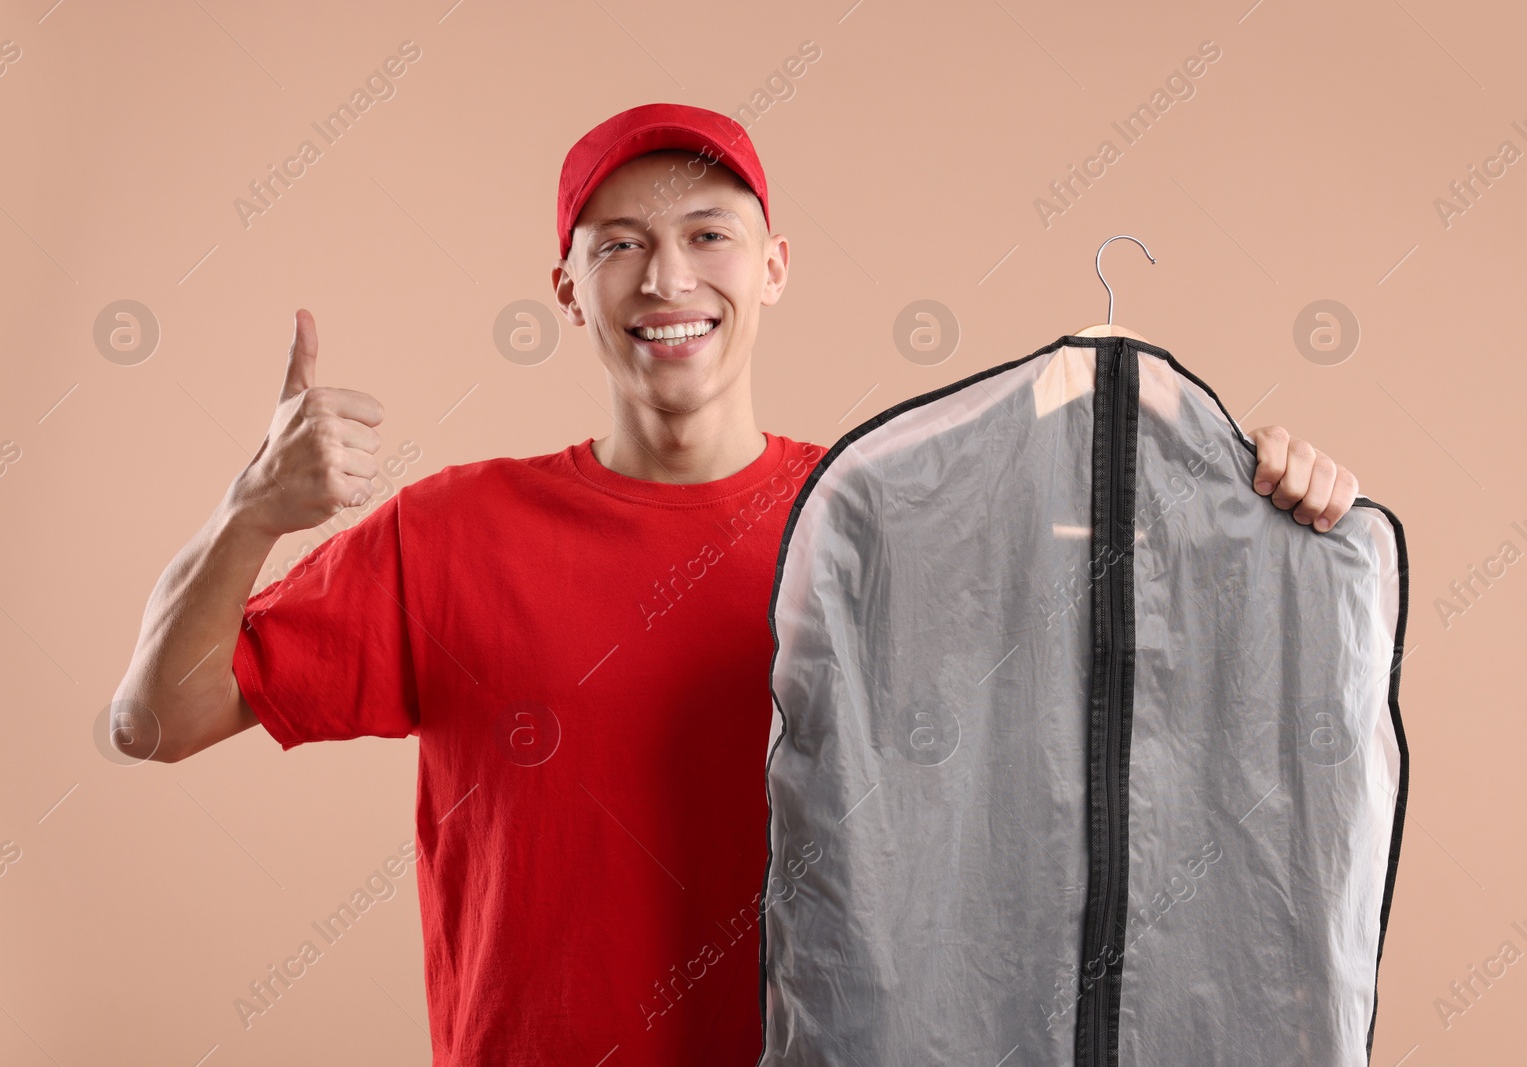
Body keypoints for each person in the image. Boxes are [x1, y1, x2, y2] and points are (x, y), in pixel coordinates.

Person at [111, 102, 1361, 1065]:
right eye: (622, 245)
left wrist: (1268, 511)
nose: (667, 279)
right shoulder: (449, 531)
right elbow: (154, 719)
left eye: (708, 235)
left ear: (772, 267)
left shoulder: (885, 522)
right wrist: (247, 515)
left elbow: (1132, 677)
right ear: (567, 289)